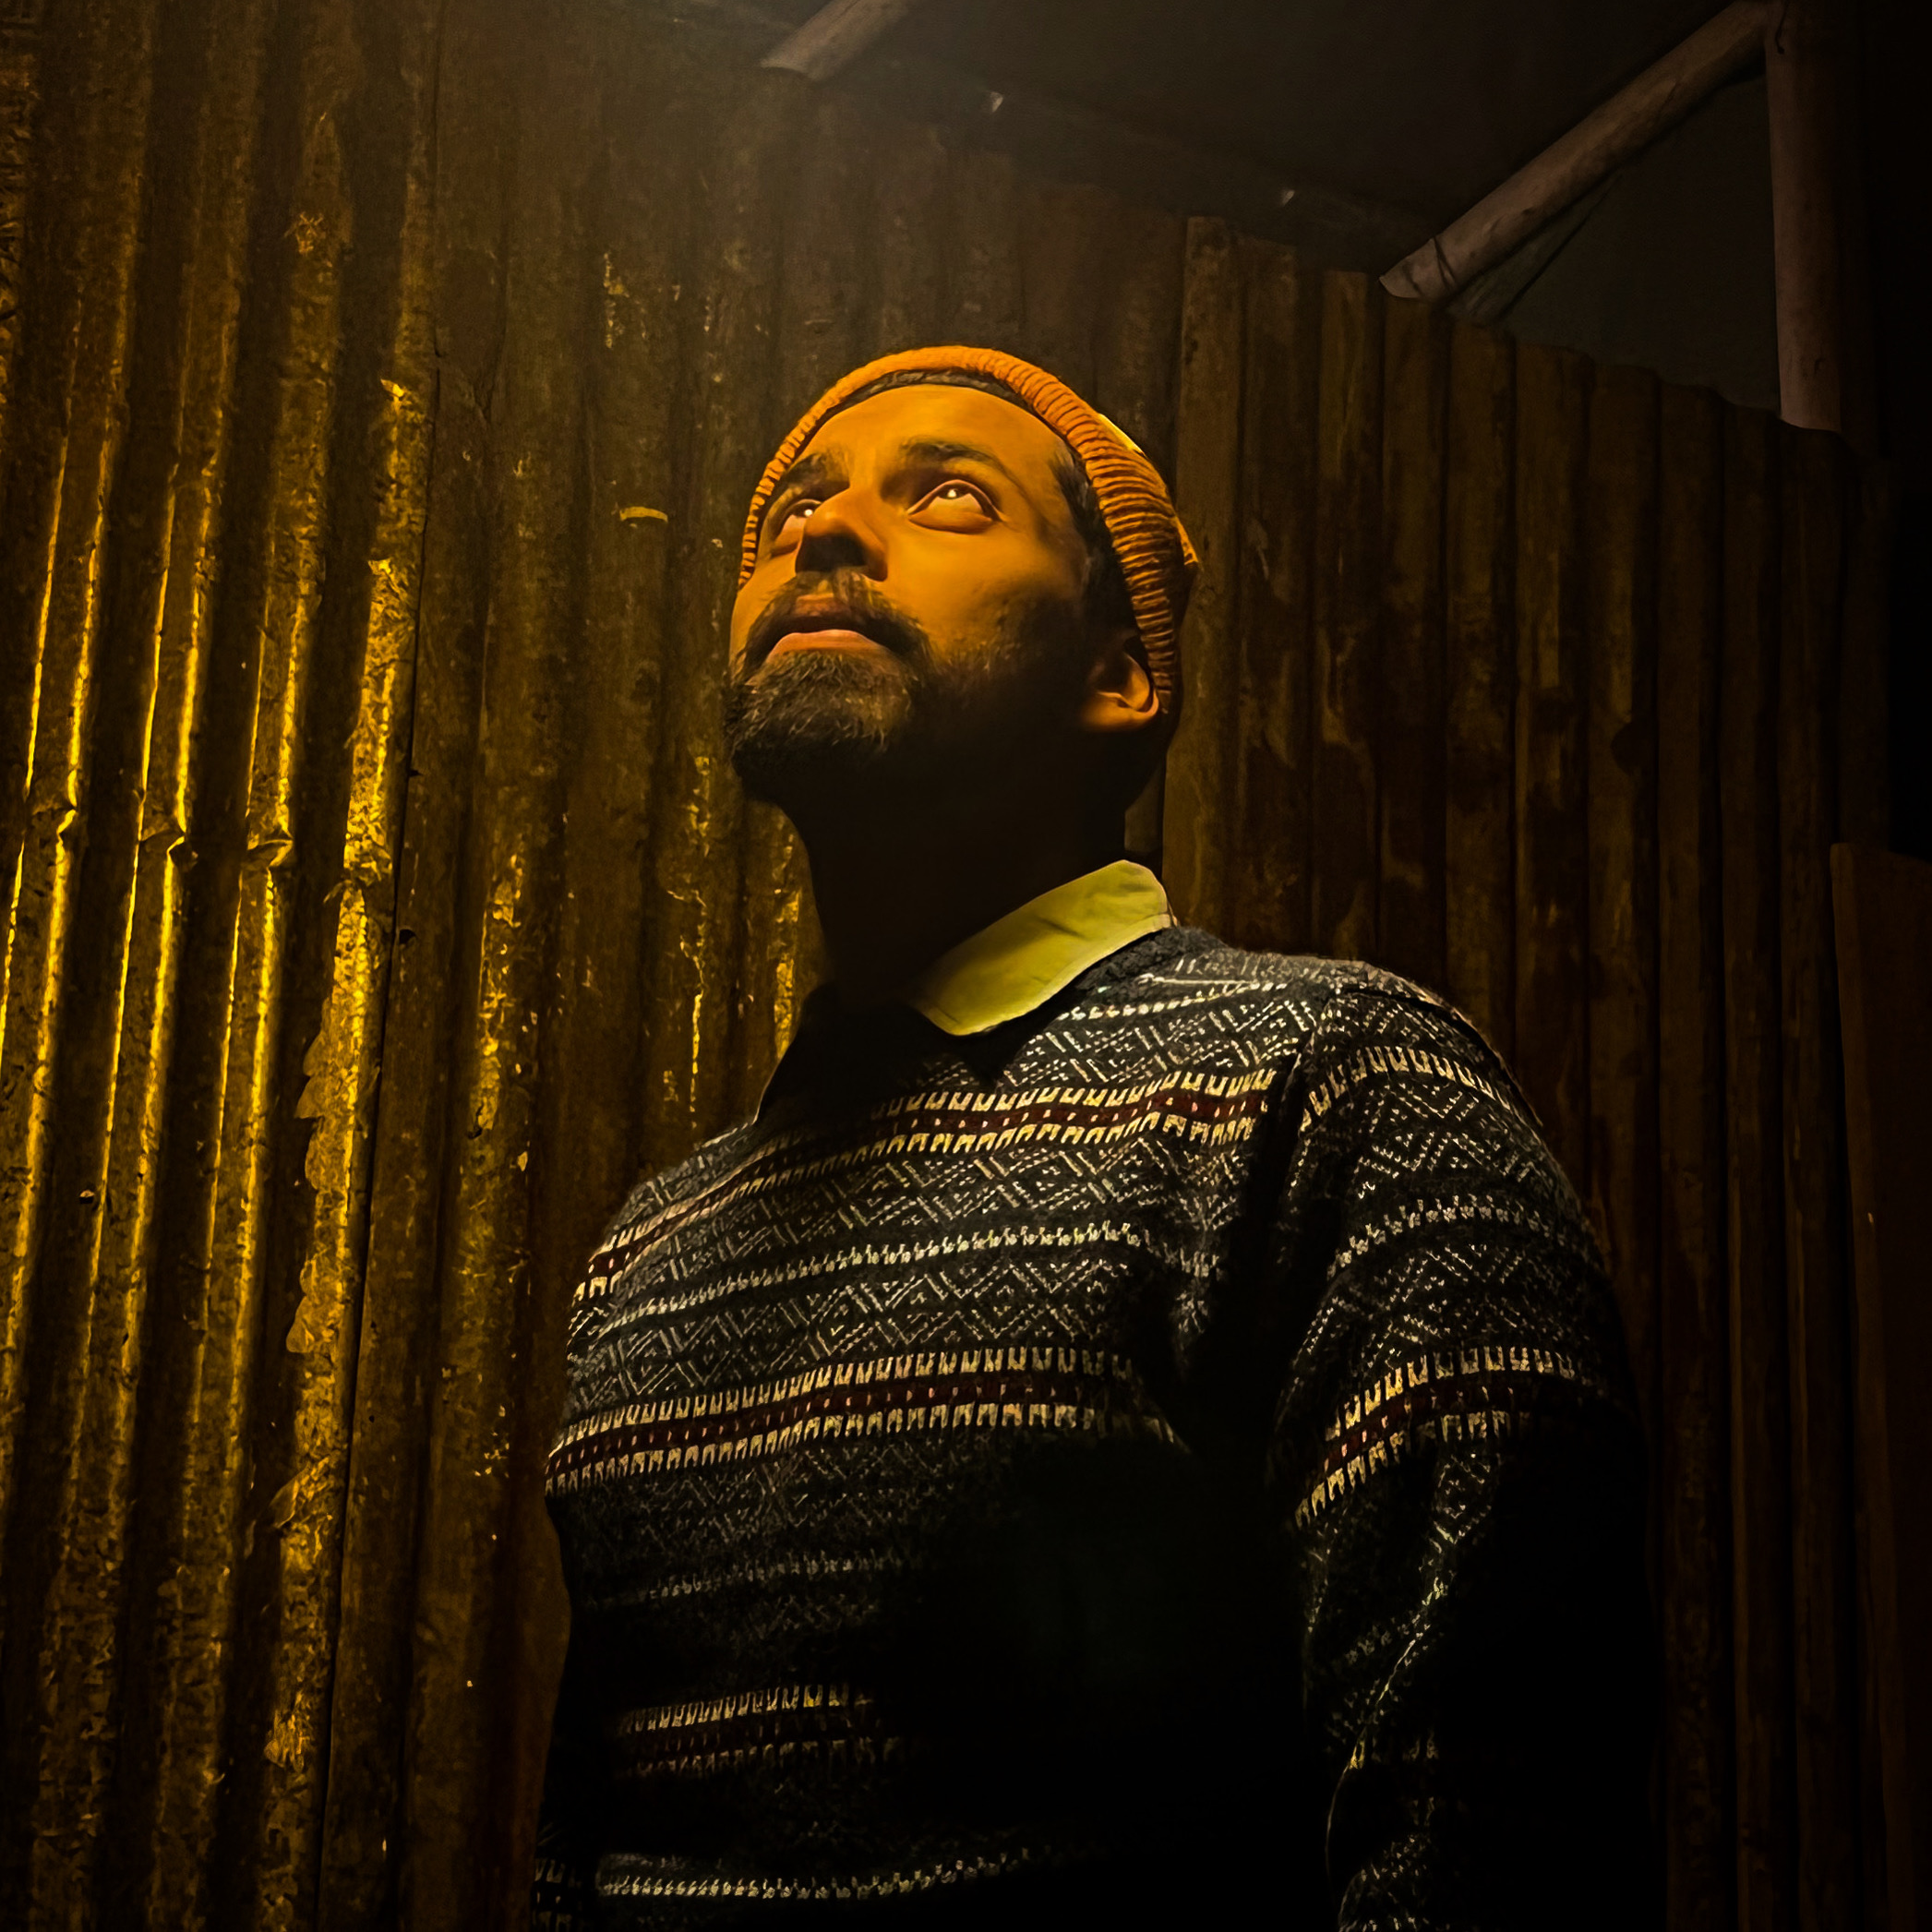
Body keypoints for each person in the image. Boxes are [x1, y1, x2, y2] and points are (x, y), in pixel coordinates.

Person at [534, 347, 1652, 1929]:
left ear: (1120, 672)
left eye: (947, 496)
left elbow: (1491, 1832)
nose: (822, 532)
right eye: (792, 510)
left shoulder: (1333, 1092)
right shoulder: (651, 1253)